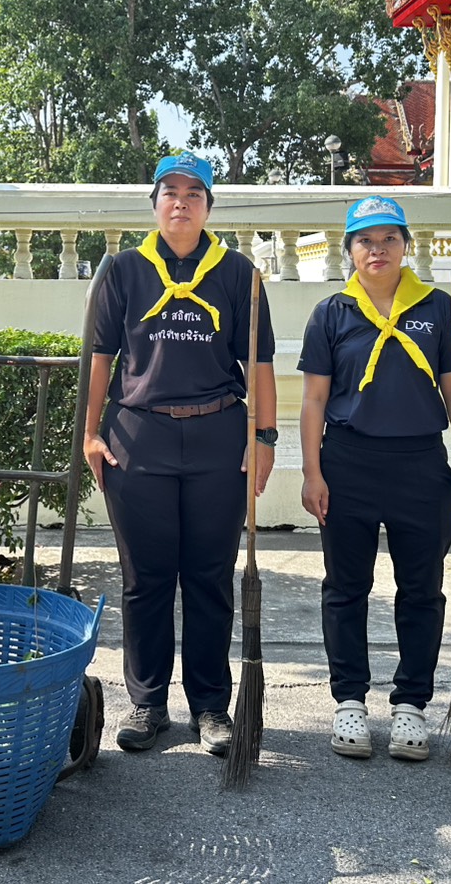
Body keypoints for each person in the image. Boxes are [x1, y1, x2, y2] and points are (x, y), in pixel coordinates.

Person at [83, 151, 278, 758]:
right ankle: (147, 702)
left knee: (209, 577)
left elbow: (260, 363)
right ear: (155, 204)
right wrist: (89, 433)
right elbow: (99, 359)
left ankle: (211, 706)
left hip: (219, 435)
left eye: (194, 194)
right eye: (170, 192)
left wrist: (265, 437)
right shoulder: (123, 270)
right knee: (145, 579)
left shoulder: (239, 274)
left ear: (209, 207)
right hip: (139, 436)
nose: (181, 203)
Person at [298, 195, 451, 762]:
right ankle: (349, 700)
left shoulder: (439, 308)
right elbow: (313, 399)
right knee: (345, 587)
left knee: (421, 590)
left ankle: (411, 704)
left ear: (406, 245)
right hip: (347, 463)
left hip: (420, 465)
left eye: (388, 239)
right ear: (349, 249)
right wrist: (311, 472)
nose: (376, 249)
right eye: (365, 240)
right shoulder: (331, 313)